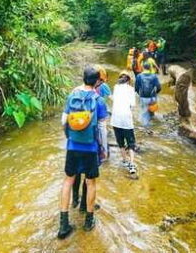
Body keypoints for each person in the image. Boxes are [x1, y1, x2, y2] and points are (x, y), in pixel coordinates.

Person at [58, 66, 108, 239]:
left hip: (72, 146)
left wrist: (69, 137)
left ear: (83, 78)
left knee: (68, 181)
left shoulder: (72, 96)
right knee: (91, 182)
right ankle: (88, 220)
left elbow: (64, 121)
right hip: (90, 148)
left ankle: (63, 224)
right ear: (96, 81)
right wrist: (104, 150)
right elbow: (102, 128)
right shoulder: (99, 100)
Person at [110, 71, 138, 177]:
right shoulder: (131, 89)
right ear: (129, 80)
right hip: (126, 119)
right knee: (131, 143)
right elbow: (133, 105)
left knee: (120, 142)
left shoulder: (116, 87)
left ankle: (124, 160)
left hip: (115, 119)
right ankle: (131, 164)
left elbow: (115, 100)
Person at [135, 59, 161, 130]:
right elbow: (159, 87)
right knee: (151, 111)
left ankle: (146, 129)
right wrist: (155, 94)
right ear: (150, 68)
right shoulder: (154, 76)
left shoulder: (139, 76)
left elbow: (136, 88)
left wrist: (140, 94)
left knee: (144, 113)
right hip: (152, 97)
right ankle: (153, 123)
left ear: (143, 67)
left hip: (143, 97)